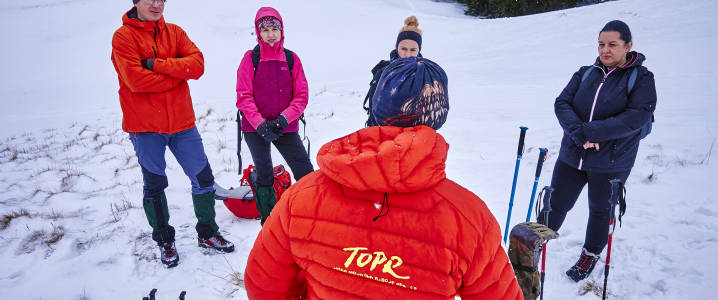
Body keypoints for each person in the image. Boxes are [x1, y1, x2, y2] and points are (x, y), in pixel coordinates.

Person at [244, 58, 522, 299]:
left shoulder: (302, 196)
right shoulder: (471, 219)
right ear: (438, 118)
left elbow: (263, 285)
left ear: (377, 109)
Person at [111, 0, 234, 268]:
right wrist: (178, 72)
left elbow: (197, 65)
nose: (156, 4)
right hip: (145, 128)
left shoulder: (175, 32)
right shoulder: (123, 37)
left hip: (183, 124)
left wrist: (155, 64)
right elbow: (135, 80)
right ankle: (165, 240)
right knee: (154, 184)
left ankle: (208, 233)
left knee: (203, 177)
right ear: (135, 2)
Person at [539, 20, 657, 282]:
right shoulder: (585, 72)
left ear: (628, 46)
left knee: (600, 211)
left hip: (612, 161)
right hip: (572, 155)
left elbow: (636, 117)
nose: (605, 50)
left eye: (613, 44)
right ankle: (536, 243)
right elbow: (562, 102)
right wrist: (578, 133)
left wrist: (589, 132)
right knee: (556, 204)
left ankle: (590, 254)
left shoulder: (642, 78)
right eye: (601, 44)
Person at [236, 7, 314, 226]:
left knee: (305, 172)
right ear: (258, 33)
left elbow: (301, 95)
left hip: (285, 127)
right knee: (264, 175)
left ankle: (311, 215)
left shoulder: (291, 59)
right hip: (255, 128)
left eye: (274, 29)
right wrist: (260, 124)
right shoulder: (250, 58)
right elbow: (244, 96)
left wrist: (282, 119)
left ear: (282, 31)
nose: (271, 34)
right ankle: (269, 223)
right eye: (266, 30)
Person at [363, 16, 423, 127]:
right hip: (383, 133)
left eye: (413, 50)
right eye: (403, 49)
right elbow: (373, 109)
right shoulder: (383, 72)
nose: (408, 54)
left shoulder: (424, 74)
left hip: (413, 135)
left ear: (419, 51)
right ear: (397, 48)